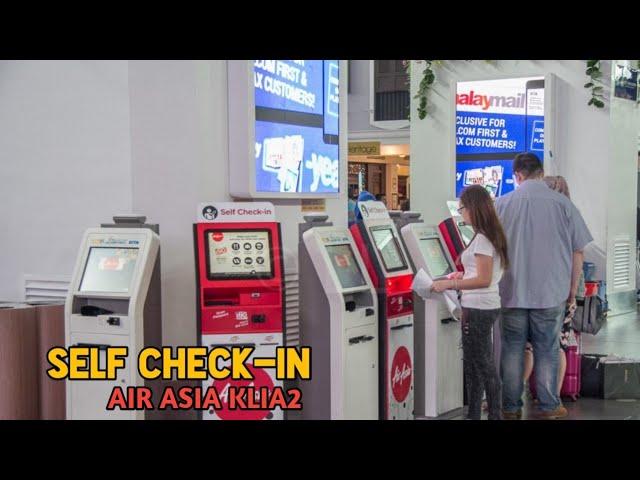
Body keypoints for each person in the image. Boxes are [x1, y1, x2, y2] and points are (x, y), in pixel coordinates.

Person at [495, 153, 593, 420]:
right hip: (552, 292)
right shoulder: (564, 205)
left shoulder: (501, 204)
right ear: (540, 172)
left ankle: (510, 407)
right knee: (547, 348)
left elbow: (487, 248)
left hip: (511, 291)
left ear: (517, 176)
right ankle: (550, 405)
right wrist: (572, 289)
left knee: (513, 348)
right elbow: (578, 251)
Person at [431, 184, 508, 420]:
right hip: (484, 305)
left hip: (479, 308)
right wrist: (462, 275)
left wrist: (450, 284)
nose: (461, 213)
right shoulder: (489, 234)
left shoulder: (483, 239)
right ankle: (474, 413)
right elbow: (486, 274)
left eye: (462, 208)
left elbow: (483, 279)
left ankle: (495, 413)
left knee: (482, 364)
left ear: (473, 208)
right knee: (475, 364)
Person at [523, 175, 585, 398]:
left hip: (553, 291)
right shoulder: (569, 214)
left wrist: (572, 288)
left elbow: (577, 254)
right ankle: (551, 396)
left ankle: (519, 394)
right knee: (556, 344)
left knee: (534, 345)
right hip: (555, 290)